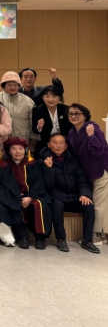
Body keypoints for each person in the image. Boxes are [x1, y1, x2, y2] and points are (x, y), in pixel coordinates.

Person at [41, 133, 100, 253]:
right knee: (57, 206)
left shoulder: (74, 161)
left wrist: (84, 194)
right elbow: (47, 185)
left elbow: (82, 180)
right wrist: (49, 169)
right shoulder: (42, 161)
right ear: (49, 144)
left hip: (73, 197)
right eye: (55, 142)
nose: (58, 146)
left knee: (88, 206)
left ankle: (87, 240)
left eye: (61, 143)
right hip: (56, 197)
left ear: (66, 146)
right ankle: (61, 239)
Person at [66, 103, 108, 245]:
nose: (73, 116)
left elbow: (98, 152)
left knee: (99, 204)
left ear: (85, 115)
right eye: (70, 114)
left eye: (77, 113)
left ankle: (98, 235)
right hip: (86, 173)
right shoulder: (72, 132)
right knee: (94, 202)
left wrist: (91, 136)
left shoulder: (94, 129)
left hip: (100, 170)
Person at [3, 137, 51, 250]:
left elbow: (39, 181)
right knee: (14, 204)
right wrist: (16, 195)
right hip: (14, 195)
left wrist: (30, 197)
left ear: (24, 150)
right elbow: (4, 183)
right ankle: (22, 237)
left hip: (34, 194)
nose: (18, 151)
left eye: (20, 149)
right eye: (14, 149)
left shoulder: (33, 163)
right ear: (9, 151)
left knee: (39, 205)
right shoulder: (5, 165)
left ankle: (40, 238)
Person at [0, 72, 36, 144]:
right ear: (3, 85)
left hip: (22, 141)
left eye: (15, 85)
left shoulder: (27, 101)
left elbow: (33, 122)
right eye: (9, 85)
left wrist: (33, 140)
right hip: (1, 140)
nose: (13, 87)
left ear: (19, 86)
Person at [31, 85, 70, 159]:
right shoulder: (37, 110)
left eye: (54, 97)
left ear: (59, 98)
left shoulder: (66, 109)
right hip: (45, 144)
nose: (50, 99)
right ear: (43, 97)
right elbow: (34, 129)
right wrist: (39, 127)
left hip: (63, 143)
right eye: (47, 96)